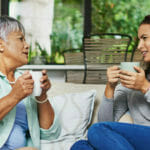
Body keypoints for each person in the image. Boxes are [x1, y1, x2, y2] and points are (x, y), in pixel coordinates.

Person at [71, 15, 150, 150]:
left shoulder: (141, 82)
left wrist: (145, 87)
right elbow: (106, 123)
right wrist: (110, 87)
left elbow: (100, 128)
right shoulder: (135, 79)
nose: (139, 46)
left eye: (144, 38)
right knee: (80, 146)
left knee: (96, 130)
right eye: (138, 40)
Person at [0, 16, 60, 150]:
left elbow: (50, 132)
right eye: (20, 39)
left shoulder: (25, 79)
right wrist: (14, 96)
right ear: (0, 44)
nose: (27, 45)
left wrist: (42, 95)